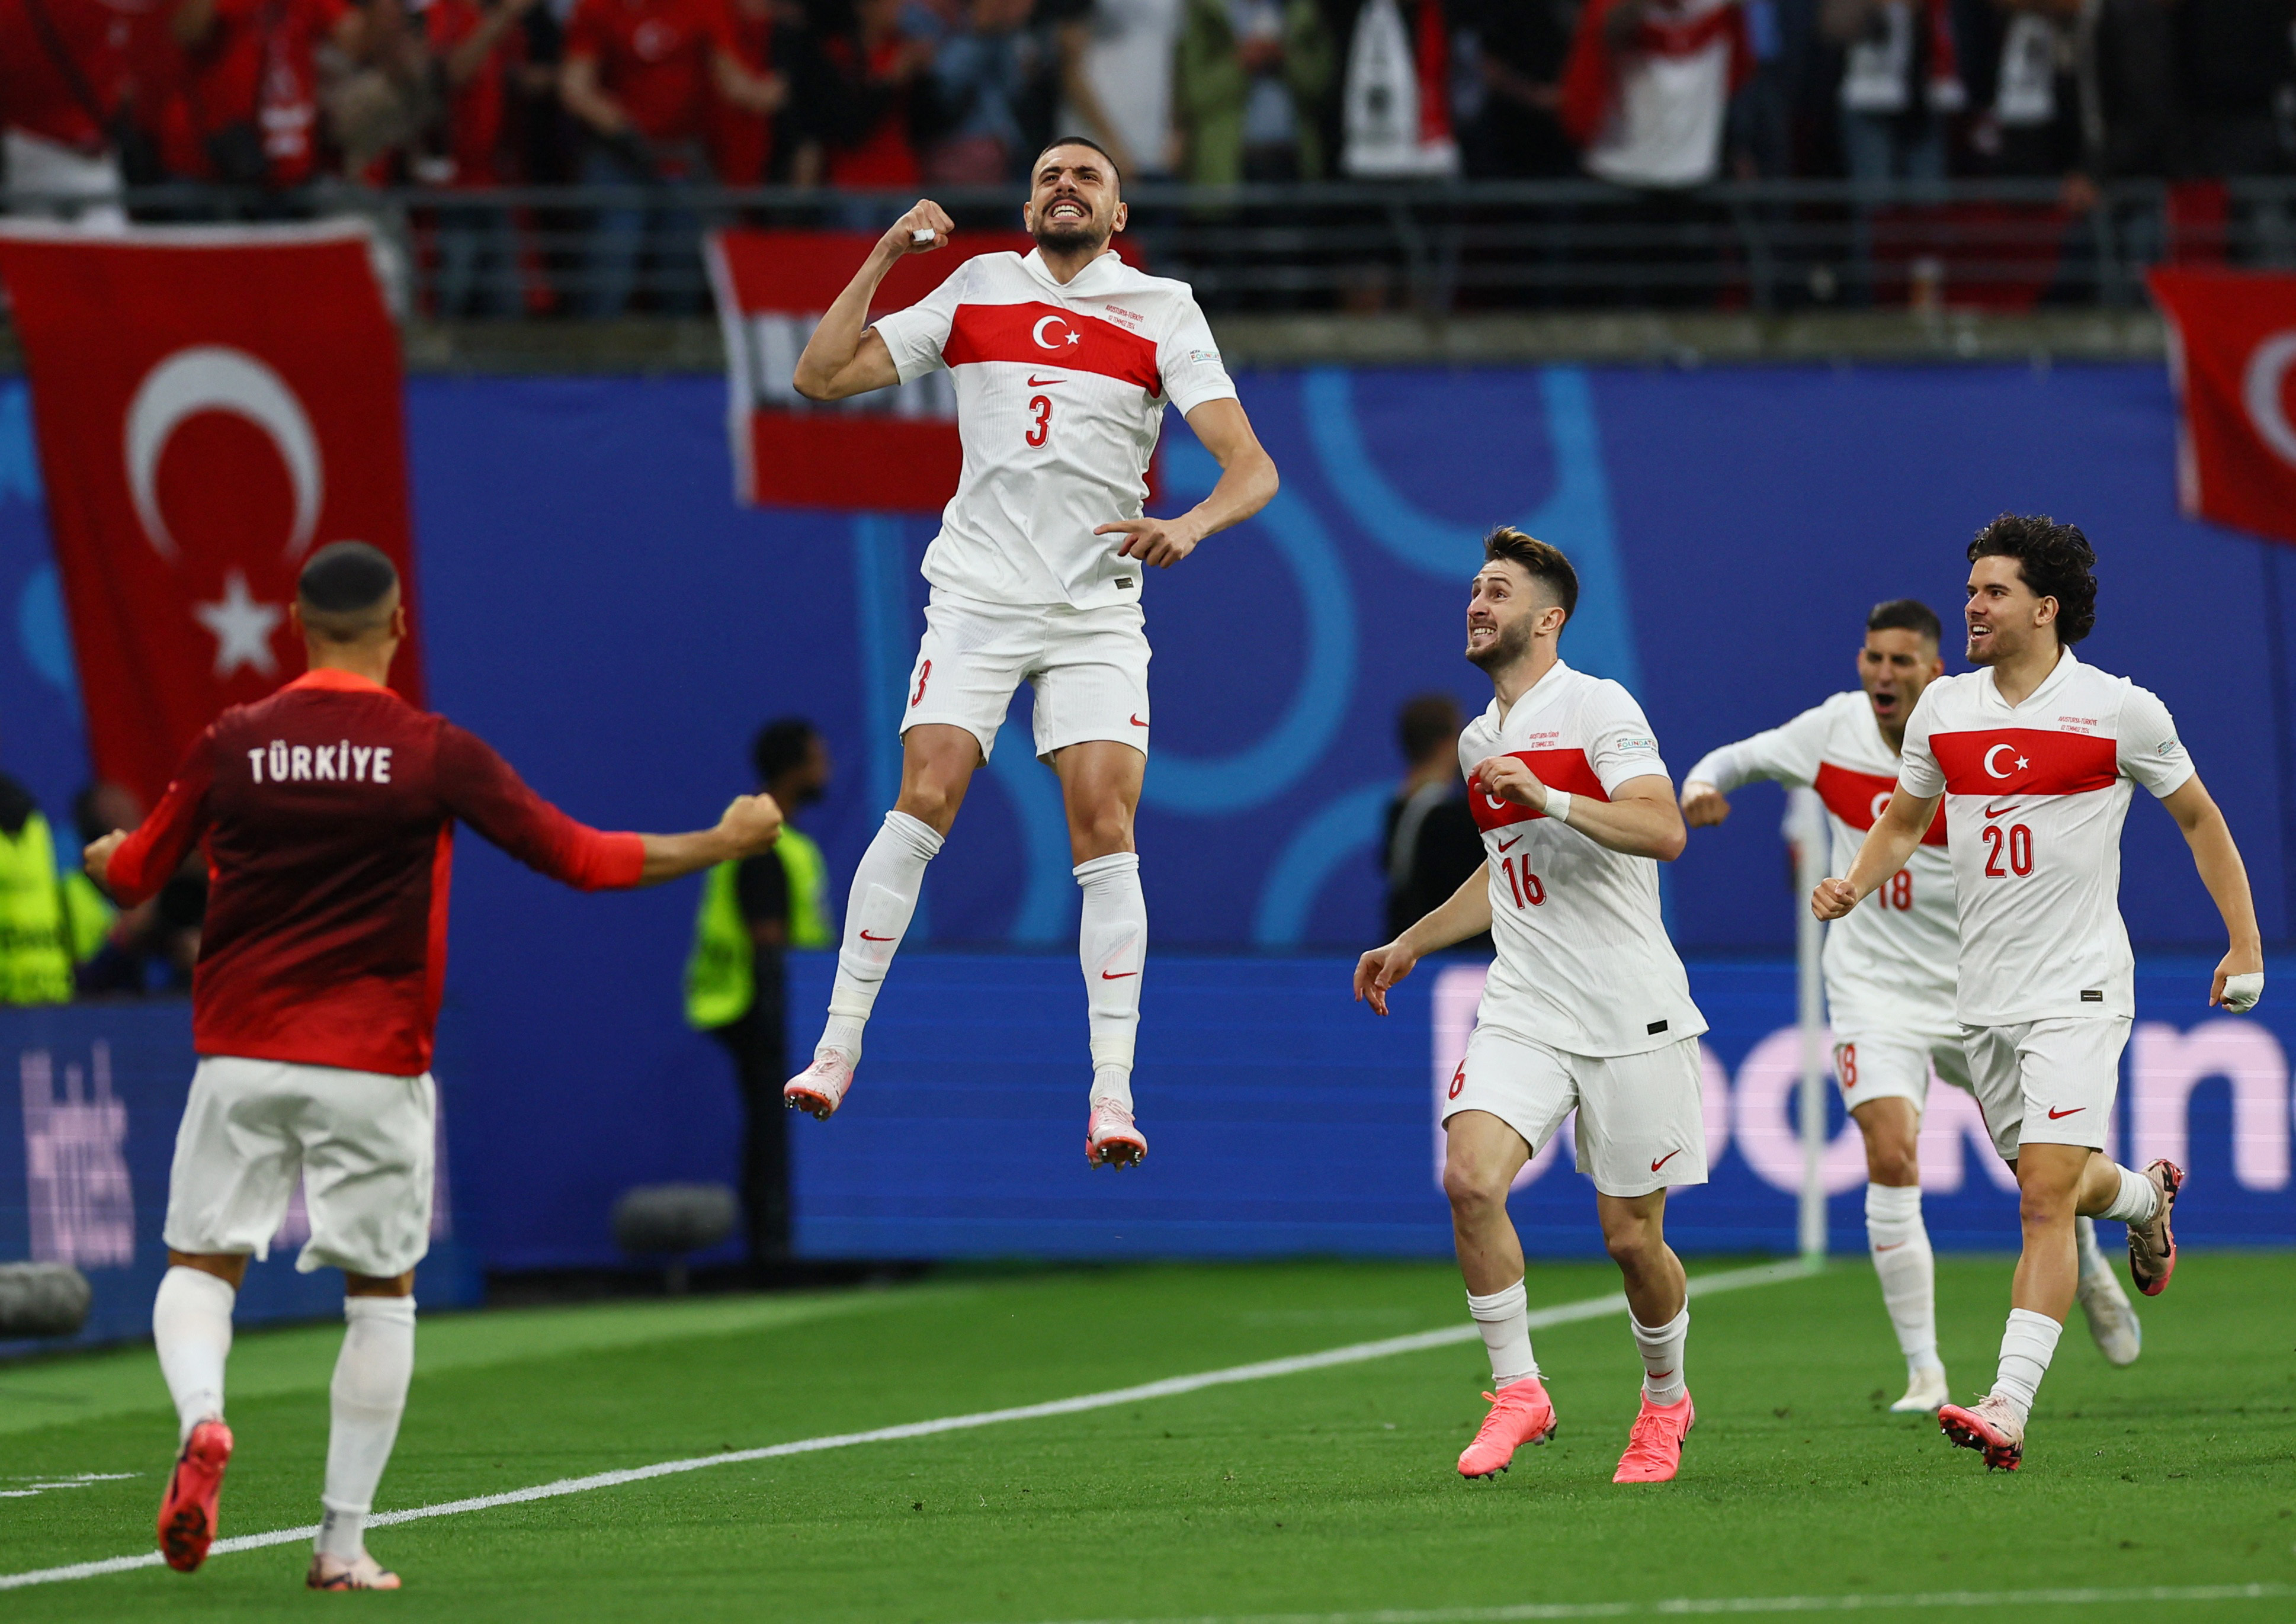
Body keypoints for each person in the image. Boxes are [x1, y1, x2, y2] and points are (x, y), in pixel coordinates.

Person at [86, 541, 783, 1588]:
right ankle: (339, 1545)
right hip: (374, 1061)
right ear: (397, 625)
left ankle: (204, 1422)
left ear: (294, 621)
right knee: (382, 1294)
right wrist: (722, 841)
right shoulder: (431, 752)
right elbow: (582, 858)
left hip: (240, 1052)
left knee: (200, 1265)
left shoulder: (234, 741)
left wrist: (107, 861)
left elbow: (136, 872)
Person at [783, 136, 1278, 1168]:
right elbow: (820, 374)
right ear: (1025, 205)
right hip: (978, 594)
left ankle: (1110, 1092)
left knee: (1104, 820)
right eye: (1051, 174)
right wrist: (882, 258)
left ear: (1118, 214)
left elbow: (1251, 467)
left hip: (1095, 605)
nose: (1067, 186)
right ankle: (835, 1049)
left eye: (1087, 176)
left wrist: (1189, 525)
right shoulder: (973, 289)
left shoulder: (1161, 307)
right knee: (927, 793)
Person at [1815, 515, 2263, 1472]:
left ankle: (2007, 1404)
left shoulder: (2118, 711)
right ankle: (2143, 1198)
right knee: (2055, 1181)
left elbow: (2198, 818)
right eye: (1971, 589)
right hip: (1981, 996)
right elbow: (1903, 820)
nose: (1971, 606)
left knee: (2043, 1201)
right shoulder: (1945, 712)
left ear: (2044, 608)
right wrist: (1856, 879)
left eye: (1992, 592)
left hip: (2080, 987)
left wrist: (2243, 941)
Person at [1681, 598, 2141, 1416]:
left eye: (1901, 661)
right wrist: (1702, 782)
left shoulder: (1968, 730)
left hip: (1982, 984)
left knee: (2044, 1178)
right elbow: (1738, 757)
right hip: (1872, 988)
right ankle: (1926, 1370)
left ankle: (2100, 1245)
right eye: (1872, 658)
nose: (1882, 675)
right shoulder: (1832, 730)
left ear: (1935, 668)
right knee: (1891, 1153)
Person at [1355, 527, 1710, 1487]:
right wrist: (1413, 940)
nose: (1478, 603)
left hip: (1629, 1005)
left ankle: (1665, 1401)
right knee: (1469, 1179)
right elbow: (1504, 871)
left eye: (1499, 592)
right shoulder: (1480, 736)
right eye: (1475, 589)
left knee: (1634, 1239)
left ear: (1547, 620)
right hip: (1525, 1000)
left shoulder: (1598, 707)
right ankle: (1520, 1389)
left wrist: (1551, 795)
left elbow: (1662, 826)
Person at [685, 717, 834, 1264]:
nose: (827, 768)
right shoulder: (765, 846)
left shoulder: (778, 840)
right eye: (818, 757)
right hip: (758, 1006)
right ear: (795, 769)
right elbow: (768, 943)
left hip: (765, 1005)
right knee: (773, 1131)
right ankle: (773, 1252)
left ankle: (778, 1245)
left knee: (775, 1128)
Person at [1383, 692, 1487, 951]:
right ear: (1445, 744)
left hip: (1412, 949)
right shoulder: (1450, 819)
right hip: (1449, 955)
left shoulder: (1398, 809)